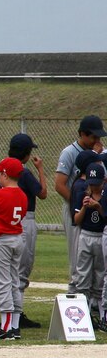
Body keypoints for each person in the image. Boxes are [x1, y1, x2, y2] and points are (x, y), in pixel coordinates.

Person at [0, 157, 30, 340]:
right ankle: (15, 326)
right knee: (14, 281)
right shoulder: (23, 195)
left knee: (2, 283)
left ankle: (6, 327)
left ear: (5, 175)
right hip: (17, 238)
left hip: (1, 240)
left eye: (0, 173)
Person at [55, 115, 106, 294]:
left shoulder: (99, 154)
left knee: (97, 260)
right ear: (82, 134)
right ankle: (74, 295)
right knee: (78, 258)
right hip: (75, 210)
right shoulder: (69, 152)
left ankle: (93, 301)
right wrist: (78, 204)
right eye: (93, 137)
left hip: (95, 210)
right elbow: (60, 184)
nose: (97, 141)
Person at [9, 133, 48, 327]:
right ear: (25, 153)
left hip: (11, 220)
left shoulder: (5, 168)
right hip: (25, 220)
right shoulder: (23, 172)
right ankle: (17, 313)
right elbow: (42, 193)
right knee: (22, 269)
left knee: (12, 268)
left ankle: (14, 311)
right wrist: (40, 168)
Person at [70, 161, 106, 326]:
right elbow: (76, 220)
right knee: (82, 274)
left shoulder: (105, 195)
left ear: (103, 180)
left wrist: (98, 206)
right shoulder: (82, 194)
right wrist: (85, 207)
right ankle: (83, 316)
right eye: (91, 184)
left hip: (101, 236)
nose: (94, 187)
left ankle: (99, 310)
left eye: (97, 183)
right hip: (86, 235)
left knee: (100, 275)